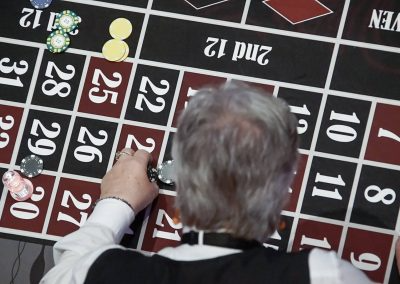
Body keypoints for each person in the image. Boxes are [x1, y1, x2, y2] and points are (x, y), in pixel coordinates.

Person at [40, 82, 372, 284]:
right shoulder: (325, 276)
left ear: (181, 183)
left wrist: (116, 202)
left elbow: (65, 269)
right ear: (283, 185)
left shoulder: (100, 273)